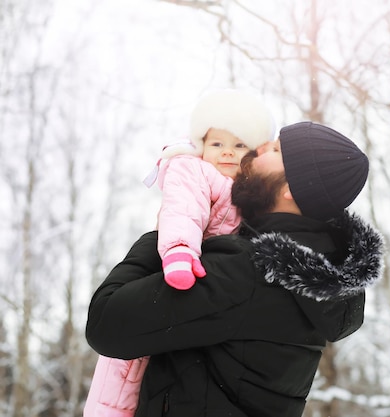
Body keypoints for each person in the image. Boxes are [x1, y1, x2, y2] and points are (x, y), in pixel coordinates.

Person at [85, 121, 384, 417]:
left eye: (276, 150)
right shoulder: (312, 283)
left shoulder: (248, 273)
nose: (260, 147)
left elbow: (106, 322)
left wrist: (166, 231)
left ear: (290, 189)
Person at [83, 89, 275, 417]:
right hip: (178, 265)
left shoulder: (251, 189)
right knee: (127, 362)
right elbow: (182, 212)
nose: (227, 152)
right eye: (217, 144)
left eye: (239, 145)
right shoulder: (193, 170)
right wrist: (179, 252)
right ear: (201, 146)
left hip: (210, 279)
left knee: (159, 356)